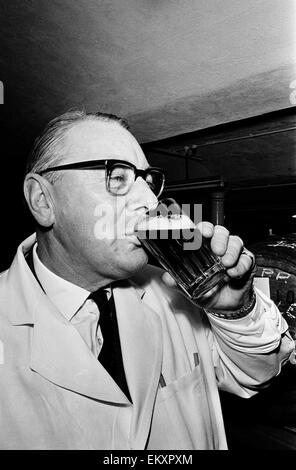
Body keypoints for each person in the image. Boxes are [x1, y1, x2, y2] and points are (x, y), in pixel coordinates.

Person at [0, 110, 294, 450]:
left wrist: (235, 311)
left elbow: (257, 375)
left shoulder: (172, 290)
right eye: (117, 176)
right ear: (43, 200)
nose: (150, 201)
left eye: (147, 181)